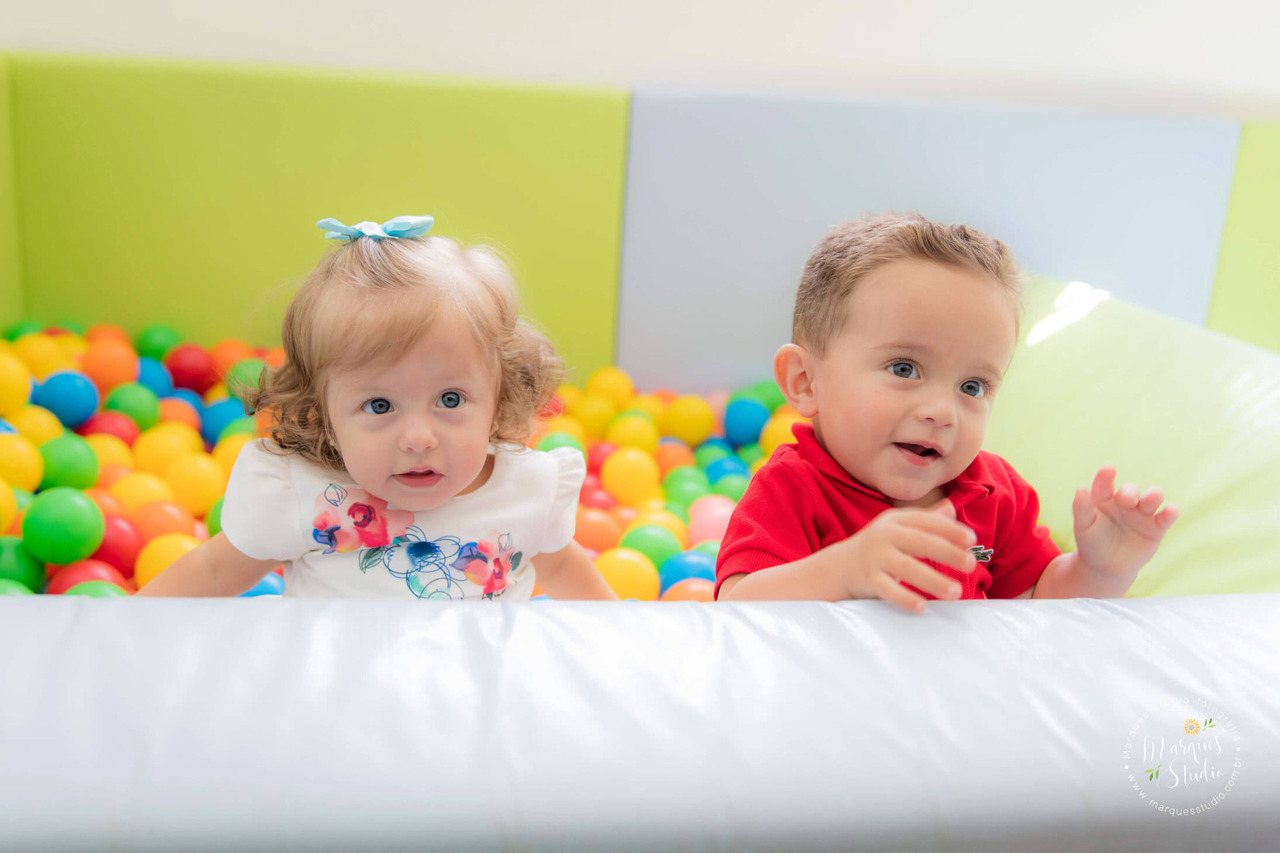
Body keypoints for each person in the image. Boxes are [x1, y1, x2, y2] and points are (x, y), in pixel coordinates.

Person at [139, 215, 618, 601]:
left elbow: (562, 566)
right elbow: (217, 571)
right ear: (323, 417)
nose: (418, 437)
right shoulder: (304, 497)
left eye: (450, 400)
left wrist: (630, 644)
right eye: (379, 405)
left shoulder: (527, 490)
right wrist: (111, 633)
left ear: (498, 398)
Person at [715, 213, 1177, 610]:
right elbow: (737, 610)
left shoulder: (995, 497)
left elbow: (1036, 609)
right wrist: (844, 570)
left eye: (972, 386)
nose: (942, 411)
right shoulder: (792, 491)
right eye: (904, 368)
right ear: (805, 381)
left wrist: (1099, 572)